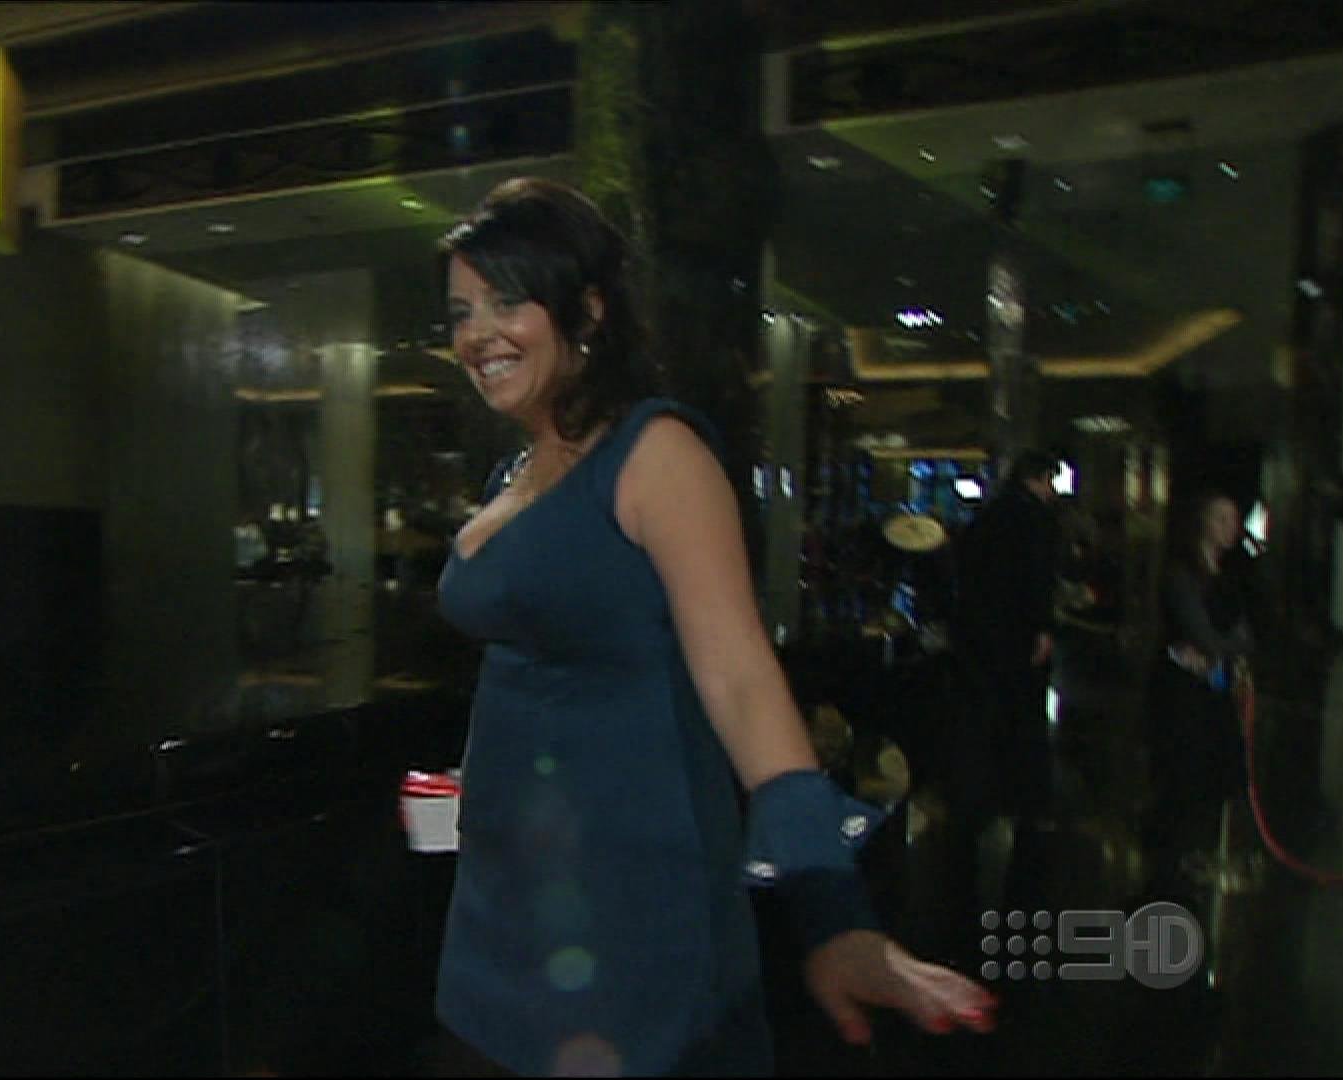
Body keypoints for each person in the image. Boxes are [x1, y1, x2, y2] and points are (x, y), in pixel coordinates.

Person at [425, 177, 994, 1078]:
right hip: (501, 905)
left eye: (506, 301)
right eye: (461, 312)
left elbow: (740, 679)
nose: (477, 334)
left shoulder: (656, 454)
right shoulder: (516, 474)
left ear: (588, 309)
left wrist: (834, 913)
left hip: (625, 913)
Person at [935, 450, 1062, 953]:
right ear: (1041, 478)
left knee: (981, 727)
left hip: (978, 647)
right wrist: (1042, 626)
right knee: (1020, 729)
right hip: (1016, 646)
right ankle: (1020, 805)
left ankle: (973, 807)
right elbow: (1038, 581)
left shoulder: (986, 519)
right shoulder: (1035, 522)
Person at [1144, 492, 1255, 900]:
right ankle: (1172, 864)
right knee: (1184, 772)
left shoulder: (1230, 576)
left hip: (1214, 688)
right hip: (1182, 690)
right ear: (1204, 523)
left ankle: (1201, 854)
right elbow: (1200, 632)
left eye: (1234, 520)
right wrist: (1217, 648)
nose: (1230, 528)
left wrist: (1221, 652)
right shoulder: (1182, 574)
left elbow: (1244, 637)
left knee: (1215, 772)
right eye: (1221, 519)